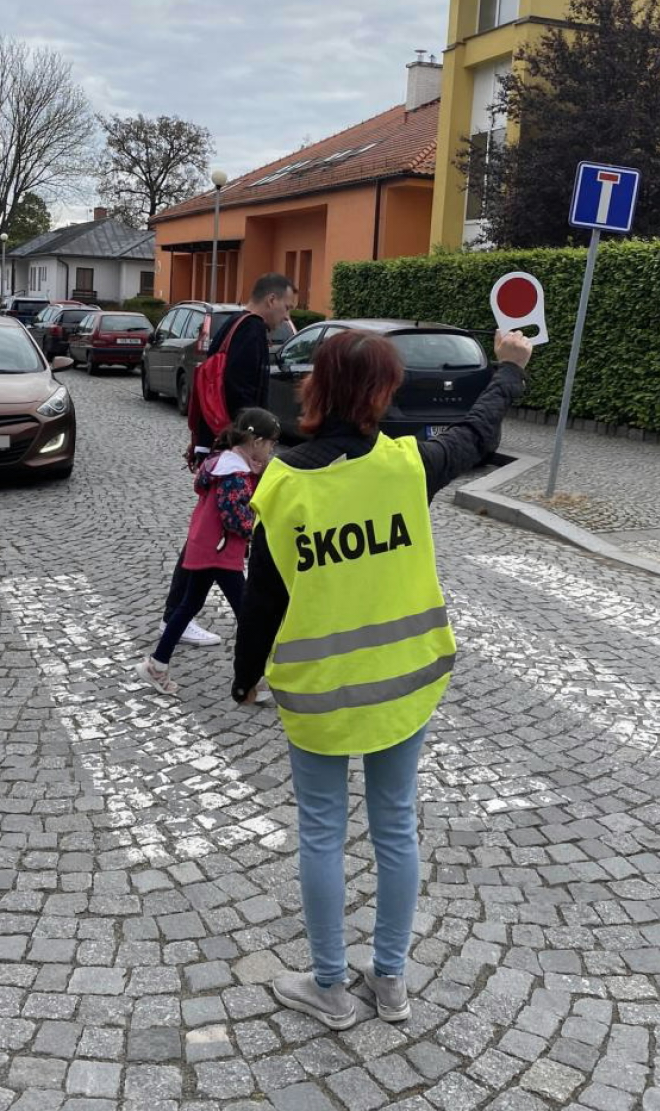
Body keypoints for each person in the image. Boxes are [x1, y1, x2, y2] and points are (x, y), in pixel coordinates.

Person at [231, 326, 533, 1030]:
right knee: (396, 824)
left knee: (322, 832)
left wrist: (246, 676)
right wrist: (509, 369)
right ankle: (391, 980)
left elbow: (263, 599)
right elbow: (477, 432)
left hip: (321, 693)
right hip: (405, 681)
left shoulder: (285, 481)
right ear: (385, 391)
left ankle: (331, 987)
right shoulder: (409, 464)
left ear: (315, 386)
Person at [159, 272, 296, 649]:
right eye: (286, 307)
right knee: (215, 534)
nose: (286, 317)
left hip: (221, 442)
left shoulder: (232, 324)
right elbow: (241, 395)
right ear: (270, 300)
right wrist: (251, 449)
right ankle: (182, 617)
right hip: (232, 446)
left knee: (206, 535)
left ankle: (180, 615)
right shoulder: (250, 330)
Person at [140, 407, 281, 696]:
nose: (272, 449)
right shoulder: (235, 473)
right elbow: (235, 517)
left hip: (206, 548)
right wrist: (259, 527)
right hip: (220, 551)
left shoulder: (222, 464)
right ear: (256, 442)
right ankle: (256, 679)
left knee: (189, 606)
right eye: (270, 443)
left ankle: (157, 664)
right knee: (248, 614)